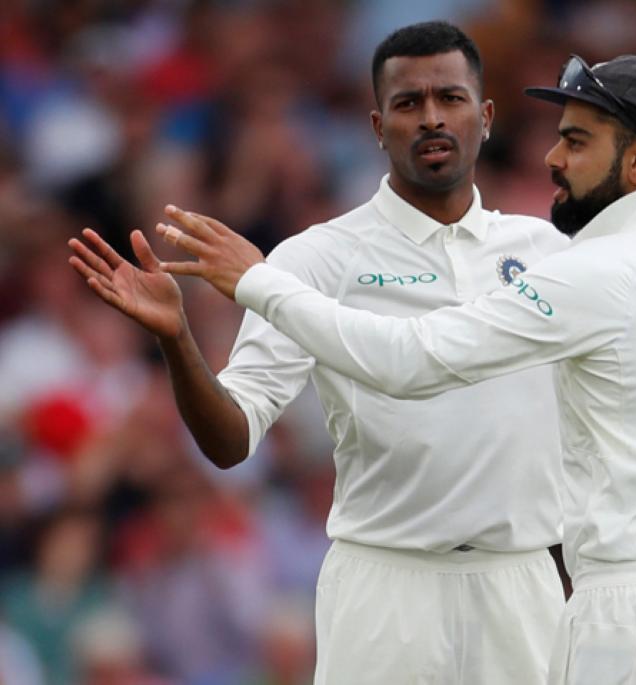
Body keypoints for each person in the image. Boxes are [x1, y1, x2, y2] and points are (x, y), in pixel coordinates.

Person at [135, 54, 636, 684]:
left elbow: (409, 360)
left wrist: (259, 282)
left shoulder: (586, 276)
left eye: (577, 142)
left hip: (628, 617)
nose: (552, 159)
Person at [69, 22, 570, 685]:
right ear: (375, 124)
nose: (430, 118)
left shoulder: (545, 252)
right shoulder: (316, 257)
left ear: (486, 114)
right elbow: (230, 438)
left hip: (523, 578)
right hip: (387, 581)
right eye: (407, 103)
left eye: (449, 98)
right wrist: (177, 338)